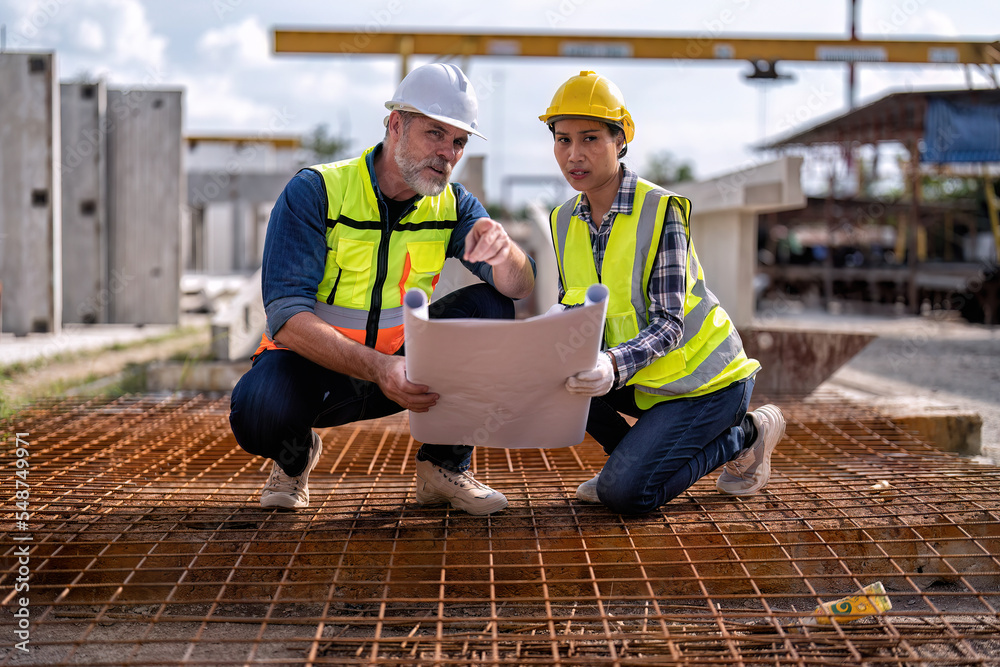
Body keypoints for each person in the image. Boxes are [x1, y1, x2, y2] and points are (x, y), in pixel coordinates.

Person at [229, 63, 535, 516]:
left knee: (491, 305)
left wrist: (505, 252)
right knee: (258, 411)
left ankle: (442, 467)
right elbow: (287, 319)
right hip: (315, 368)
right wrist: (380, 368)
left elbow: (519, 287)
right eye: (435, 134)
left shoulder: (453, 205)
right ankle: (294, 458)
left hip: (405, 366)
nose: (448, 153)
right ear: (396, 125)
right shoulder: (316, 192)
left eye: (459, 142)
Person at [539, 71, 785, 514]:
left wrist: (611, 365)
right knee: (550, 375)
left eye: (591, 138)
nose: (574, 154)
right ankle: (632, 462)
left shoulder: (660, 211)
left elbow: (670, 325)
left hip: (706, 383)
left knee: (626, 495)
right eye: (563, 139)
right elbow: (574, 311)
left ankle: (747, 433)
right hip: (644, 381)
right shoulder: (562, 220)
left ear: (620, 140)